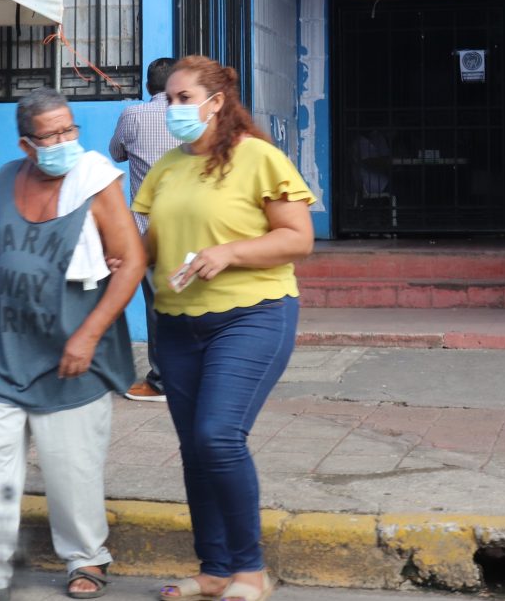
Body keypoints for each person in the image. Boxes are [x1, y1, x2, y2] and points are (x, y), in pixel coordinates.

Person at [0, 88, 145, 601]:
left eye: (71, 130)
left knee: (71, 470)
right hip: (7, 348)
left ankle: (87, 558)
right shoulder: (7, 178)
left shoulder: (94, 181)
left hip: (73, 352)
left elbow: (130, 261)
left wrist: (88, 335)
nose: (66, 142)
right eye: (53, 135)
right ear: (27, 145)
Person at [134, 56, 315, 601]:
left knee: (218, 436)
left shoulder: (257, 156)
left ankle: (250, 571)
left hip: (253, 314)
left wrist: (230, 252)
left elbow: (297, 239)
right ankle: (213, 570)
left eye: (183, 99)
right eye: (168, 100)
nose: (172, 109)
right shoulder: (166, 168)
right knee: (194, 448)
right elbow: (146, 249)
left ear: (216, 103)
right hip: (177, 324)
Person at [109, 57, 179, 402]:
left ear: (148, 86)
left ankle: (161, 380)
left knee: (157, 307)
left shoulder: (133, 116)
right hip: (191, 228)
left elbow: (117, 153)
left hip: (147, 230)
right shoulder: (193, 118)